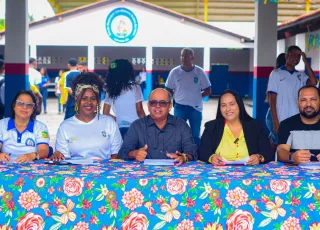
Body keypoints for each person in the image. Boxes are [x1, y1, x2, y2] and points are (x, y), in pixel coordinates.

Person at [51, 72, 122, 161]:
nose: (89, 102)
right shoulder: (65, 126)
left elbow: (116, 155)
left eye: (93, 98)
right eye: (84, 98)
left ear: (98, 101)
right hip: (75, 173)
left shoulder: (109, 122)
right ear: (76, 99)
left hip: (105, 173)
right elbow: (63, 159)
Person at [118, 88, 197, 165]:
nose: (158, 106)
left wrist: (184, 157)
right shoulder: (137, 126)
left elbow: (192, 152)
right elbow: (123, 152)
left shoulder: (181, 126)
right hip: (143, 173)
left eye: (162, 103)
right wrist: (134, 153)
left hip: (175, 173)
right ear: (148, 106)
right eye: (153, 103)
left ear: (169, 106)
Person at [198, 89, 274, 166]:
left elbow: (268, 151)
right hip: (219, 173)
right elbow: (202, 151)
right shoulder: (211, 127)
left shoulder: (255, 126)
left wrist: (259, 157)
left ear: (239, 105)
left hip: (251, 173)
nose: (228, 109)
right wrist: (212, 157)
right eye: (223, 105)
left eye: (232, 104)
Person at [267, 45, 318, 137]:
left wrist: (305, 61)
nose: (296, 58)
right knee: (283, 147)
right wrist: (275, 121)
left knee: (297, 146)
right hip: (282, 118)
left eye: (298, 56)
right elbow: (272, 99)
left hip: (297, 118)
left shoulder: (300, 75)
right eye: (293, 55)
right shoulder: (276, 73)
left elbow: (313, 82)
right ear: (287, 56)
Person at [165, 47, 211, 146]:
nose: (183, 58)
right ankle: (178, 154)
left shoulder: (199, 72)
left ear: (192, 57)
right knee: (177, 134)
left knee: (195, 134)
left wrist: (197, 97)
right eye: (182, 55)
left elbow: (208, 90)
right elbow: (168, 89)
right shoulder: (175, 72)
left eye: (186, 56)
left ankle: (196, 155)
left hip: (195, 108)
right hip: (179, 108)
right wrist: (176, 97)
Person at [0, 90, 49, 163]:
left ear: (33, 109)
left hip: (32, 168)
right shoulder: (2, 124)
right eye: (20, 103)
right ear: (14, 106)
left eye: (29, 105)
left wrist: (32, 156)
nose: (24, 107)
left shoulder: (41, 127)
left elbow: (44, 150)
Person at [277, 85, 320, 164]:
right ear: (297, 103)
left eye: (313, 99)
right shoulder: (286, 124)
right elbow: (281, 151)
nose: (308, 104)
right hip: (294, 174)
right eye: (303, 100)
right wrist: (292, 157)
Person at [103, 59, 146, 138]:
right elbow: (139, 111)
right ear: (129, 72)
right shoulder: (136, 88)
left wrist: (119, 120)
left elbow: (105, 113)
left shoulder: (110, 90)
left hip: (119, 128)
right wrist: (146, 124)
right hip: (135, 128)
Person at [265, 53, 286, 146]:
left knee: (275, 141)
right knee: (279, 143)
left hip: (271, 116)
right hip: (275, 116)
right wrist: (275, 121)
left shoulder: (274, 75)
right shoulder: (277, 75)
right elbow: (272, 100)